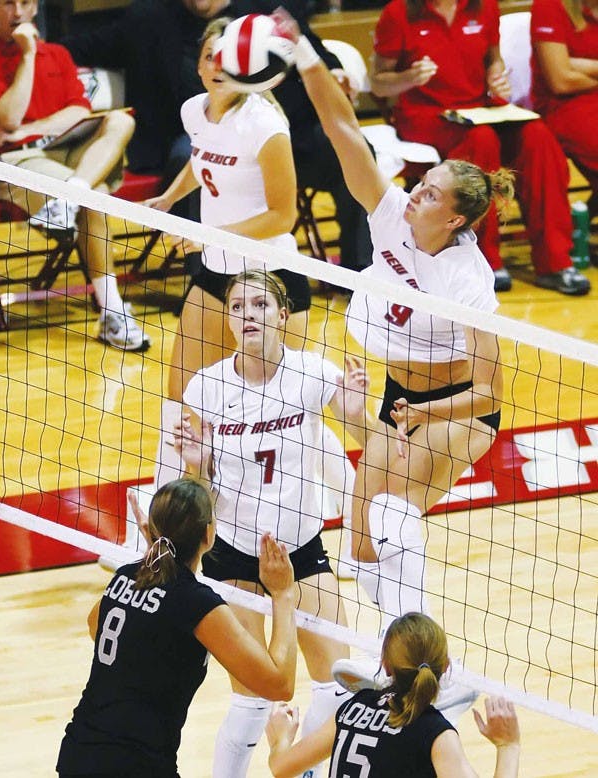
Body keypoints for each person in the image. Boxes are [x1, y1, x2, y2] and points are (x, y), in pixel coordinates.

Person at [274, 8, 509, 721]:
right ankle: (408, 660)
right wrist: (305, 54)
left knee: (394, 516)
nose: (416, 194)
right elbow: (345, 130)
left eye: (431, 193)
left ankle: (423, 671)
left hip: (457, 411)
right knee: (365, 538)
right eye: (422, 182)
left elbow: (489, 389)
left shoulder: (470, 282)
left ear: (460, 220)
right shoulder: (390, 218)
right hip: (403, 400)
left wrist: (423, 413)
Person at [175, 269, 370, 778]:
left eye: (259, 305)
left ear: (282, 316)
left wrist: (355, 413)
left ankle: (297, 769)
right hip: (234, 552)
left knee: (339, 685)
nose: (247, 316)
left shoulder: (312, 373)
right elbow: (196, 487)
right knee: (254, 697)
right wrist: (196, 461)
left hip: (300, 549)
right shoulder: (206, 387)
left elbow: (368, 442)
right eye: (237, 307)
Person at [61, 0, 374, 277]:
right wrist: (31, 53)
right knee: (188, 154)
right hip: (199, 137)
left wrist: (335, 75)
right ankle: (205, 270)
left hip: (289, 140)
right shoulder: (149, 17)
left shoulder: (264, 12)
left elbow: (317, 54)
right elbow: (76, 48)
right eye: (211, 56)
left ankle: (358, 271)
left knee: (355, 154)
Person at [145, 16, 312, 492]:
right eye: (210, 58)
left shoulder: (265, 125)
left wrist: (207, 237)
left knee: (285, 412)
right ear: (198, 65)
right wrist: (170, 199)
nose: (218, 68)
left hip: (270, 279)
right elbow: (204, 159)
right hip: (216, 275)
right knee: (183, 399)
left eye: (229, 60)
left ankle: (335, 515)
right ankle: (166, 522)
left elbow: (283, 216)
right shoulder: (196, 112)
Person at [56, 477, 297, 777]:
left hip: (79, 753)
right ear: (208, 535)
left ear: (154, 531)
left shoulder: (125, 577)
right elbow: (279, 685)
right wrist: (283, 595)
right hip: (136, 764)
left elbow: (97, 626)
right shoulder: (195, 603)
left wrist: (152, 566)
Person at [369, 0, 591, 296]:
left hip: (478, 109)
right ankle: (486, 260)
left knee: (538, 136)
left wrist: (496, 78)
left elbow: (494, 60)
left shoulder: (484, 7)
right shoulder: (399, 13)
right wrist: (410, 77)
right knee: (481, 140)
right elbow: (378, 84)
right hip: (426, 115)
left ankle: (555, 262)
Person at [0, 0, 150, 350]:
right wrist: (28, 56)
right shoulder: (29, 55)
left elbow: (78, 110)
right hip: (15, 161)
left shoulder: (59, 55)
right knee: (95, 197)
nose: (18, 12)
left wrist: (30, 128)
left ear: (36, 8)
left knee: (121, 120)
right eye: (8, 3)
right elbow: (7, 119)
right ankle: (113, 312)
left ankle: (71, 193)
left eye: (25, 3)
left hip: (64, 149)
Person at [265, 612, 521, 778]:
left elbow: (281, 767)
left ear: (385, 665)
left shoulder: (353, 707)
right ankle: (448, 707)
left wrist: (281, 738)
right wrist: (507, 745)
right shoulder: (436, 734)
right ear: (445, 668)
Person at [530, 0, 598, 223]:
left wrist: (576, 64)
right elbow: (560, 80)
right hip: (565, 106)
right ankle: (576, 229)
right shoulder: (549, 6)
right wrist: (568, 66)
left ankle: (579, 225)